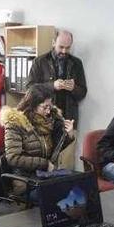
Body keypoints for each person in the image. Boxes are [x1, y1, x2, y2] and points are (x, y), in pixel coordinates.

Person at [27, 30, 87, 170]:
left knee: (66, 164)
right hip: (43, 120)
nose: (64, 51)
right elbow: (29, 89)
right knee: (45, 162)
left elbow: (83, 92)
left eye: (68, 47)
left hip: (67, 119)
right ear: (53, 42)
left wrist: (73, 88)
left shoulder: (76, 63)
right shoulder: (40, 61)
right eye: (61, 47)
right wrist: (51, 86)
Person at [0, 84, 75, 181]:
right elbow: (13, 158)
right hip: (24, 178)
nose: (48, 111)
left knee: (75, 187)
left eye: (50, 106)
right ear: (33, 105)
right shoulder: (16, 123)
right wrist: (44, 164)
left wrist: (69, 135)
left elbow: (53, 151)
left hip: (45, 175)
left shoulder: (50, 121)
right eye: (44, 107)